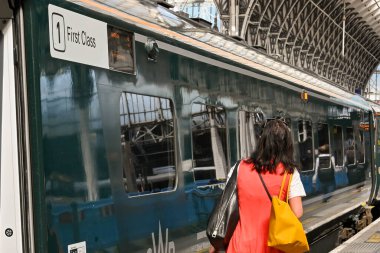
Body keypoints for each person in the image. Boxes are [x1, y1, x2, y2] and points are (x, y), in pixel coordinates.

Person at [209, 119, 306, 253]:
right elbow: (297, 212)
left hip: (239, 247)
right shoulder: (289, 173)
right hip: (272, 248)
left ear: (262, 141)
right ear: (287, 145)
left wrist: (214, 246)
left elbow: (225, 208)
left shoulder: (239, 167)